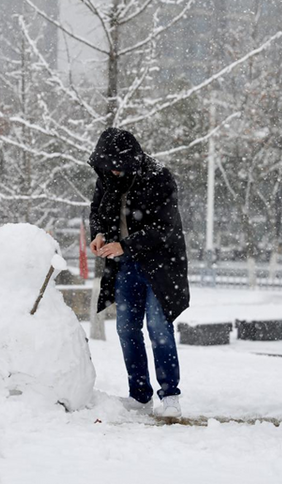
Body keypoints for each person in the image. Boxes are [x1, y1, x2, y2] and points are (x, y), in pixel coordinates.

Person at [88, 127, 190, 418]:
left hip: (160, 265)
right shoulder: (107, 177)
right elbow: (97, 210)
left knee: (159, 328)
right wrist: (99, 234)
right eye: (108, 167)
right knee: (126, 327)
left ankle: (170, 395)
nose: (114, 173)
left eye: (118, 167)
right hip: (125, 264)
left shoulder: (159, 177)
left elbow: (164, 228)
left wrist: (125, 245)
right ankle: (139, 394)